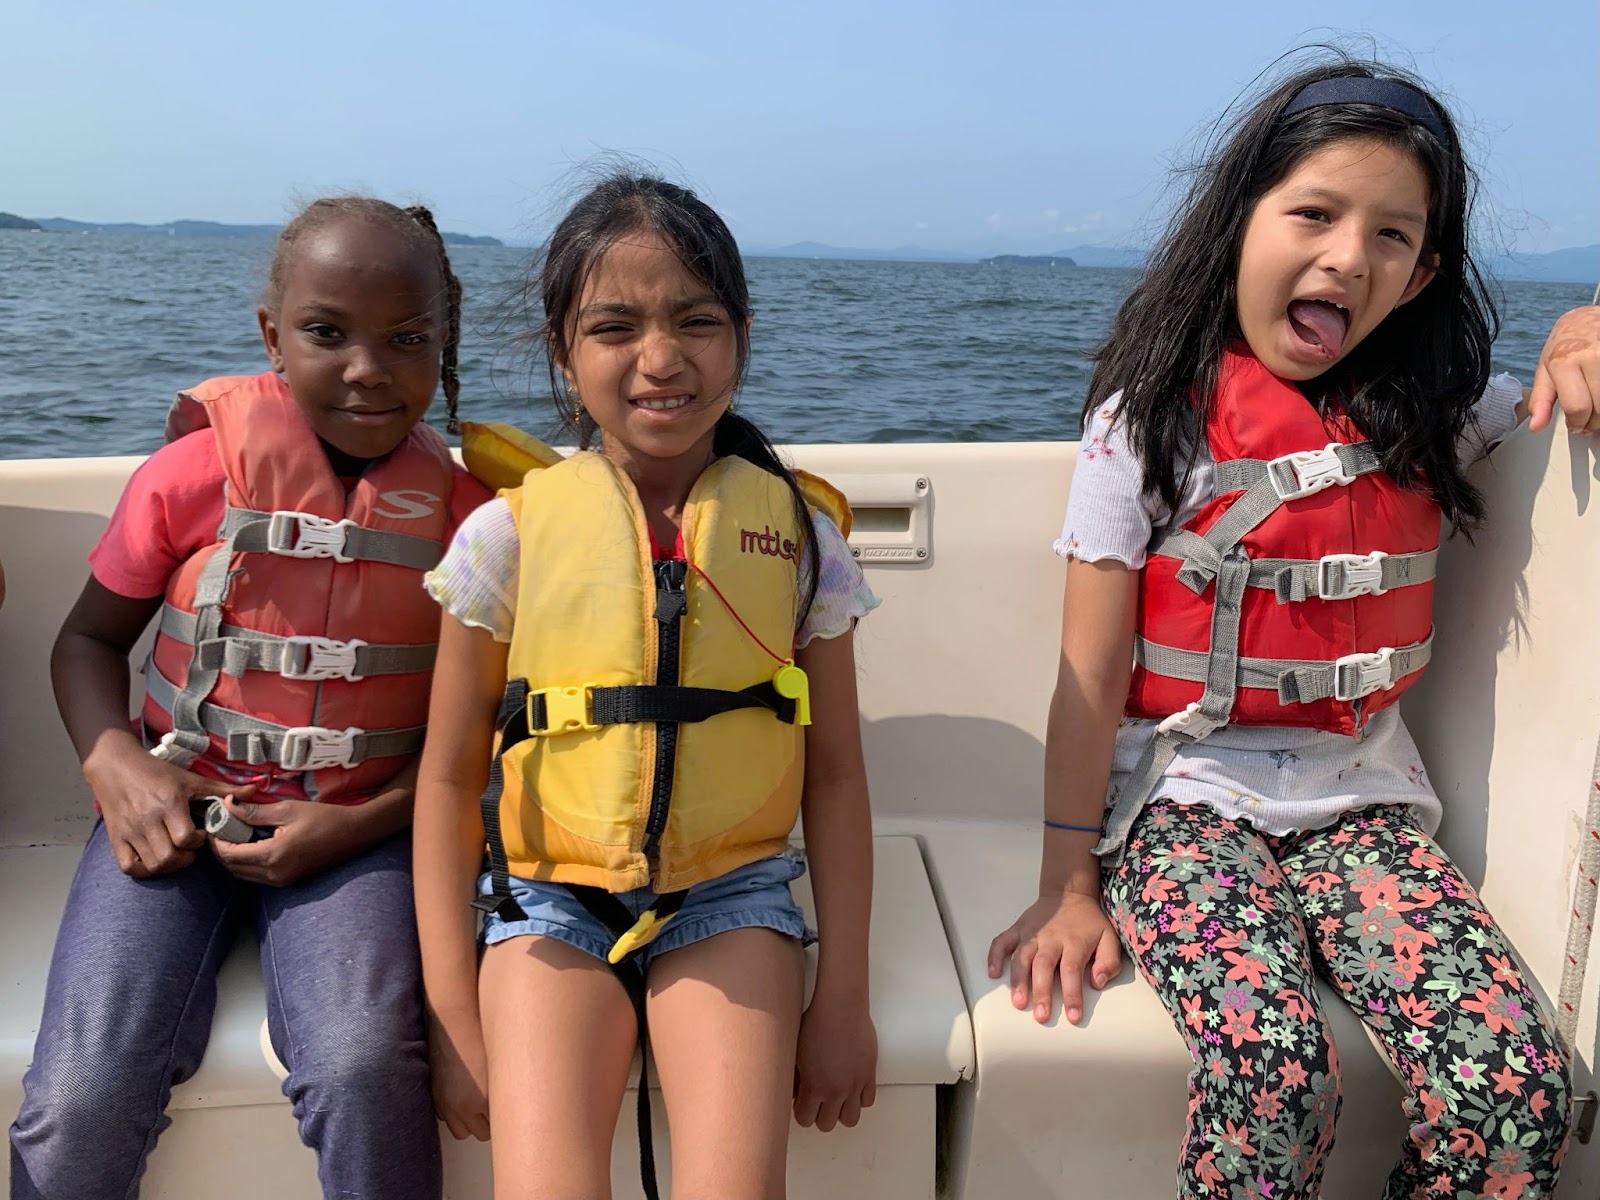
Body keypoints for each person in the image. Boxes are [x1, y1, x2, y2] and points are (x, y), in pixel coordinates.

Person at [987, 58, 1600, 1198]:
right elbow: (1087, 672)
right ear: (1239, 224)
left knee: (1518, 1090)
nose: (1345, 256)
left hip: (1363, 809)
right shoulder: (1148, 426)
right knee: (1271, 1070)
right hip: (1179, 802)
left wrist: (1581, 327)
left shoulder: (1439, 418)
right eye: (1314, 214)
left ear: (1419, 276)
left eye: (1390, 236)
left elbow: (1549, 404)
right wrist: (1068, 886)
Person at [10, 197, 493, 1200]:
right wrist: (116, 765)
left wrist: (359, 822)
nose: (367, 367)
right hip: (170, 816)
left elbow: (478, 743)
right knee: (84, 1086)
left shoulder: (470, 524)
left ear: (444, 345)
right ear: (272, 335)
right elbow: (86, 641)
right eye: (327, 333)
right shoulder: (189, 476)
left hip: (355, 836)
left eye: (406, 340)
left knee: (364, 1067)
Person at [414, 171, 879, 1200]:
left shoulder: (803, 543)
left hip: (732, 893)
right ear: (562, 351)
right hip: (546, 901)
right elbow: (447, 783)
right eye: (615, 326)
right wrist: (451, 1016)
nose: (660, 359)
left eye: (696, 321)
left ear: (742, 336)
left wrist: (840, 995)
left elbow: (837, 779)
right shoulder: (507, 536)